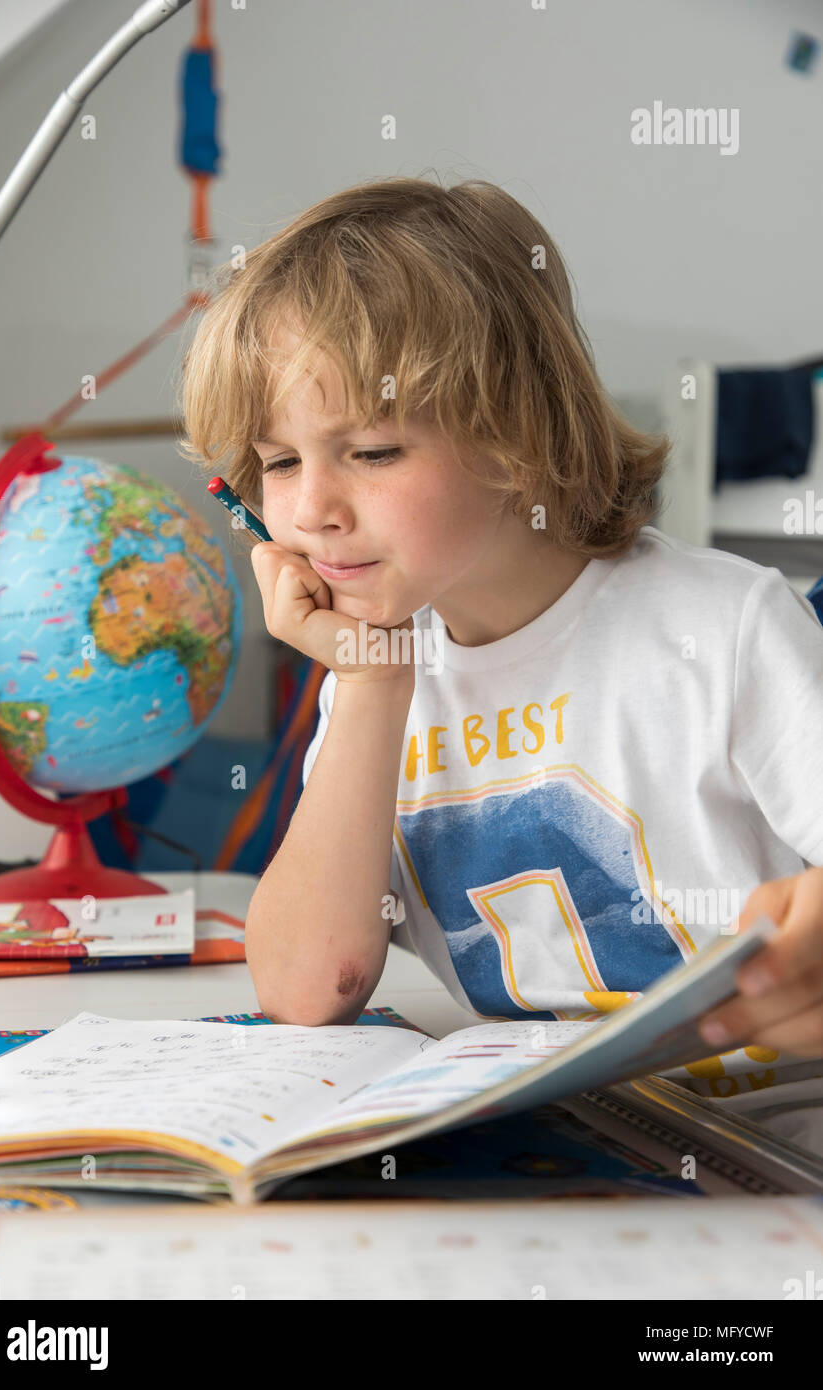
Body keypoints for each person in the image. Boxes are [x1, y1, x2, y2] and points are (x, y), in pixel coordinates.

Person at [179, 174, 823, 1057]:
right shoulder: (382, 675)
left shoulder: (728, 630)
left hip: (765, 1164)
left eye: (370, 450)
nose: (312, 508)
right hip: (558, 1161)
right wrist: (369, 680)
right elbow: (303, 986)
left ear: (518, 438)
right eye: (280, 462)